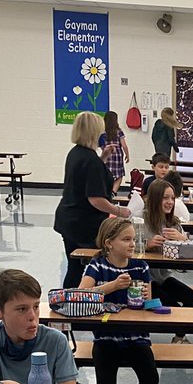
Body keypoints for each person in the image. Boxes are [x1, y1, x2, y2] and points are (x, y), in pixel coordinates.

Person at [79, 217, 159, 384]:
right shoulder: (97, 266)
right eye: (126, 239)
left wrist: (148, 298)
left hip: (136, 336)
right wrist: (112, 286)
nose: (132, 244)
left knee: (151, 380)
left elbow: (150, 305)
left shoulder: (140, 267)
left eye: (133, 239)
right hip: (106, 337)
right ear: (109, 243)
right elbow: (81, 295)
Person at [53, 112, 130, 289]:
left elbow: (84, 177)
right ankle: (90, 294)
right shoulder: (90, 159)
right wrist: (119, 211)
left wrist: (102, 158)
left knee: (74, 266)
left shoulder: (76, 153)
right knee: (93, 261)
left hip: (68, 218)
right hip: (83, 222)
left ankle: (70, 298)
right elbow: (95, 199)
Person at [142, 178, 193, 345]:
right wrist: (146, 245)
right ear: (154, 198)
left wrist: (183, 239)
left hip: (162, 276)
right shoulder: (139, 220)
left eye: (172, 198)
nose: (169, 202)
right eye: (165, 198)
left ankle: (179, 338)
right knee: (174, 307)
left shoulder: (173, 222)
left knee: (191, 298)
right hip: (144, 280)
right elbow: (124, 248)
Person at [127, 155, 189, 220]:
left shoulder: (171, 181)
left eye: (166, 167)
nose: (164, 170)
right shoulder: (148, 181)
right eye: (161, 167)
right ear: (153, 167)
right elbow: (143, 197)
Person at [99, 111, 131, 194]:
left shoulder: (102, 132)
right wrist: (127, 155)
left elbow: (100, 144)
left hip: (106, 154)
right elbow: (124, 145)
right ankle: (114, 191)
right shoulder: (118, 131)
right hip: (117, 155)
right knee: (119, 175)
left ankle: (106, 191)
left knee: (107, 174)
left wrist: (105, 150)